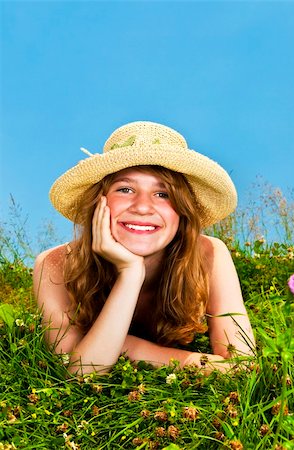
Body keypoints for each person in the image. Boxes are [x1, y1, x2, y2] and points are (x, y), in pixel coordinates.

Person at [33, 121, 255, 375]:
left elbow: (241, 364)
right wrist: (130, 273)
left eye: (163, 194)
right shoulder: (55, 265)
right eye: (125, 189)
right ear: (98, 204)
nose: (142, 207)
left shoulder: (210, 254)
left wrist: (127, 347)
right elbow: (80, 372)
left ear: (182, 211)